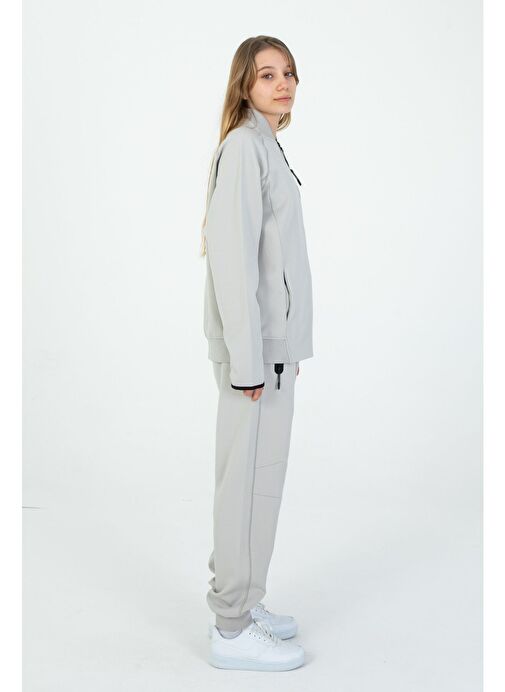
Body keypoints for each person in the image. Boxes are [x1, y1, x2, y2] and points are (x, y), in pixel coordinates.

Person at [200, 35, 314, 672]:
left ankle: (246, 600)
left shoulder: (266, 145)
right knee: (245, 487)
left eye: (289, 73)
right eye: (267, 74)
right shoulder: (245, 148)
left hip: (272, 349)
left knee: (259, 484)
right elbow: (233, 261)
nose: (283, 83)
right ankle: (231, 626)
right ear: (244, 83)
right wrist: (247, 361)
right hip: (256, 357)